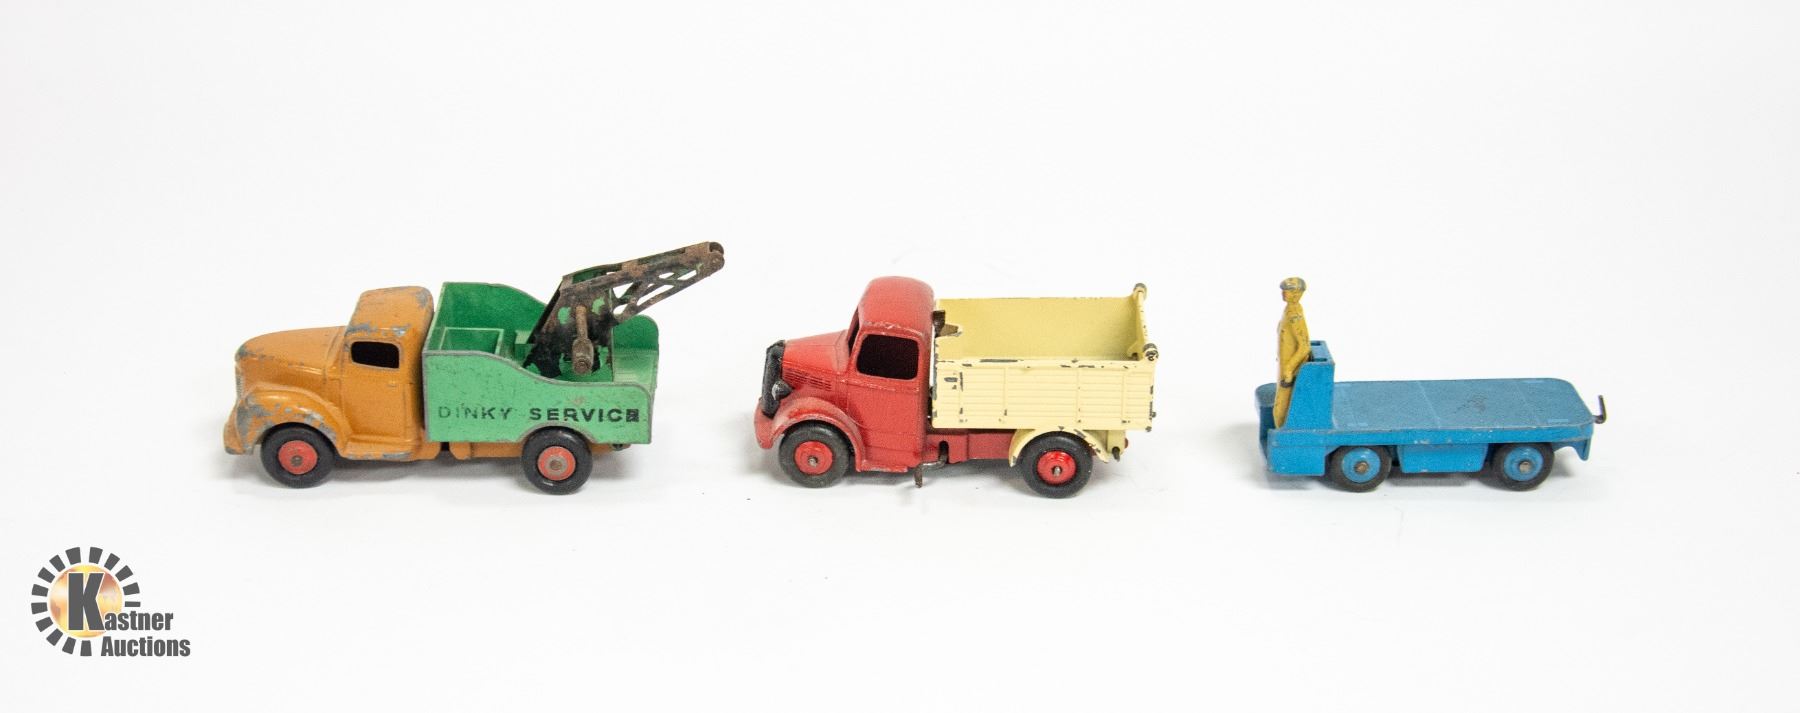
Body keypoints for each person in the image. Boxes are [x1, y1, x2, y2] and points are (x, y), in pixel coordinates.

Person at [1273, 277, 1310, 427]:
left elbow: (1304, 346)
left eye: (1287, 291)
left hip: (1290, 370)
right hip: (1284, 363)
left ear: (1296, 294)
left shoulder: (1295, 316)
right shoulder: (1289, 310)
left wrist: (1288, 369)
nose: (1283, 293)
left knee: (1280, 409)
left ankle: (1282, 431)